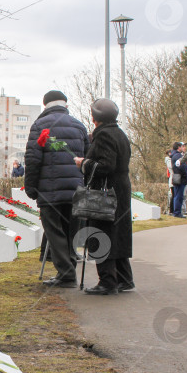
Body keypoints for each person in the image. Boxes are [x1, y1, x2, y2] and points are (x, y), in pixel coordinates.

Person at [24, 89, 89, 288]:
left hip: (50, 190)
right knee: (71, 230)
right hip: (76, 189)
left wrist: (31, 187)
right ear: (65, 105)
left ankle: (67, 275)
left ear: (45, 105)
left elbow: (33, 160)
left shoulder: (40, 125)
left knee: (54, 230)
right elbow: (87, 156)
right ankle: (69, 269)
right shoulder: (79, 126)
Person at [74, 98, 133, 295]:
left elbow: (107, 166)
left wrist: (83, 163)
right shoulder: (120, 133)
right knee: (118, 234)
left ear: (95, 118)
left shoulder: (104, 135)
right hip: (120, 190)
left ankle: (107, 281)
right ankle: (125, 279)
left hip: (105, 192)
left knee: (101, 233)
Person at [171, 144, 187, 218]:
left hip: (177, 177)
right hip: (180, 177)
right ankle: (177, 212)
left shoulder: (174, 155)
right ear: (179, 147)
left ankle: (177, 211)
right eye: (182, 146)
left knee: (177, 195)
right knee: (179, 196)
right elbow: (182, 166)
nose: (183, 148)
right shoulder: (178, 156)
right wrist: (186, 174)